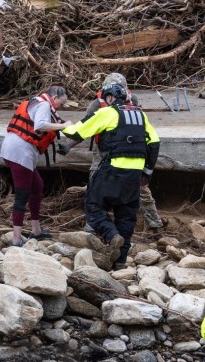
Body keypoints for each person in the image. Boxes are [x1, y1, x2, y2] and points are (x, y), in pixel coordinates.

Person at [61, 83, 160, 266]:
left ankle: (111, 235)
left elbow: (78, 131)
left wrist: (62, 126)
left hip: (113, 170)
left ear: (109, 98)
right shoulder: (140, 114)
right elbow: (154, 143)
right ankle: (120, 262)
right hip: (135, 175)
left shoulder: (108, 112)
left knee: (94, 206)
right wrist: (147, 172)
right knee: (126, 216)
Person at [78, 73, 164, 231]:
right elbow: (86, 127)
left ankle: (154, 221)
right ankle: (93, 223)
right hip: (103, 149)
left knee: (140, 185)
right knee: (95, 181)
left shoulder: (133, 101)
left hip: (127, 147)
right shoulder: (96, 105)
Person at [0, 85, 72, 246]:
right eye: (61, 103)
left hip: (15, 149)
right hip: (20, 152)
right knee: (22, 195)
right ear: (54, 98)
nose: (61, 106)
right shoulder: (45, 105)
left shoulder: (37, 102)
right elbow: (40, 125)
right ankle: (16, 239)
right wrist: (63, 126)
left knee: (37, 187)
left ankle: (36, 230)